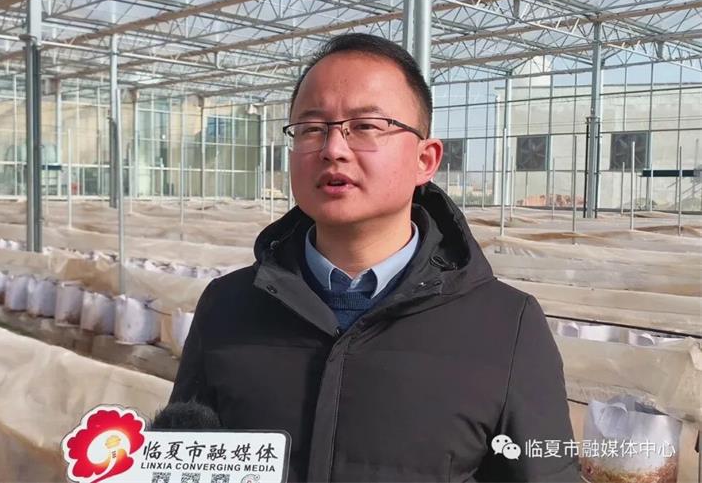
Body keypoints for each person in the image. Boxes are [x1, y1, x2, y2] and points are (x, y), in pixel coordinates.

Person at [169, 33, 580, 482]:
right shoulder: (227, 306)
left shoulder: (506, 325)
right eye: (312, 128)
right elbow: (184, 462)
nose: (333, 148)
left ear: (425, 159)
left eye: (365, 126)